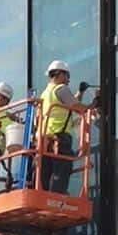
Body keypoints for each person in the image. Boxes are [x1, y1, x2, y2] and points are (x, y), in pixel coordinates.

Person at [39, 60, 92, 194]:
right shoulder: (61, 89)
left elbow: (69, 104)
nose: (68, 80)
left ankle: (46, 197)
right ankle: (57, 197)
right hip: (59, 137)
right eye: (67, 75)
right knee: (62, 168)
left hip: (45, 140)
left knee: (46, 171)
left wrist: (80, 92)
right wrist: (93, 106)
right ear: (58, 74)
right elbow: (76, 107)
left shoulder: (45, 93)